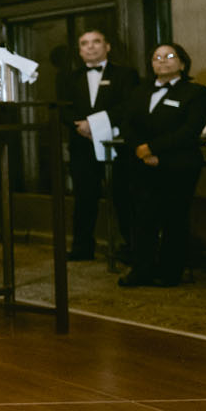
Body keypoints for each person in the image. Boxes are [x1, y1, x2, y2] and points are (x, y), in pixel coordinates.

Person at [115, 42, 206, 288]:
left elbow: (189, 131)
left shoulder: (195, 92)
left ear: (182, 63)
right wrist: (140, 149)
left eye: (169, 56)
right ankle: (141, 270)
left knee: (173, 219)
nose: (162, 61)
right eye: (157, 57)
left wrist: (153, 149)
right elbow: (127, 124)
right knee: (143, 219)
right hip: (141, 163)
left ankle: (169, 272)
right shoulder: (139, 91)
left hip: (178, 165)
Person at [54, 29, 140, 262]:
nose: (90, 47)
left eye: (96, 42)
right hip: (82, 144)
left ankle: (133, 247)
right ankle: (82, 247)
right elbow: (63, 108)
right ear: (80, 51)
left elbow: (129, 105)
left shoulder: (126, 75)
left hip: (117, 144)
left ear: (107, 46)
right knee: (84, 197)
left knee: (124, 195)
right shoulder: (69, 78)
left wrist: (94, 123)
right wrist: (79, 126)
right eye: (84, 43)